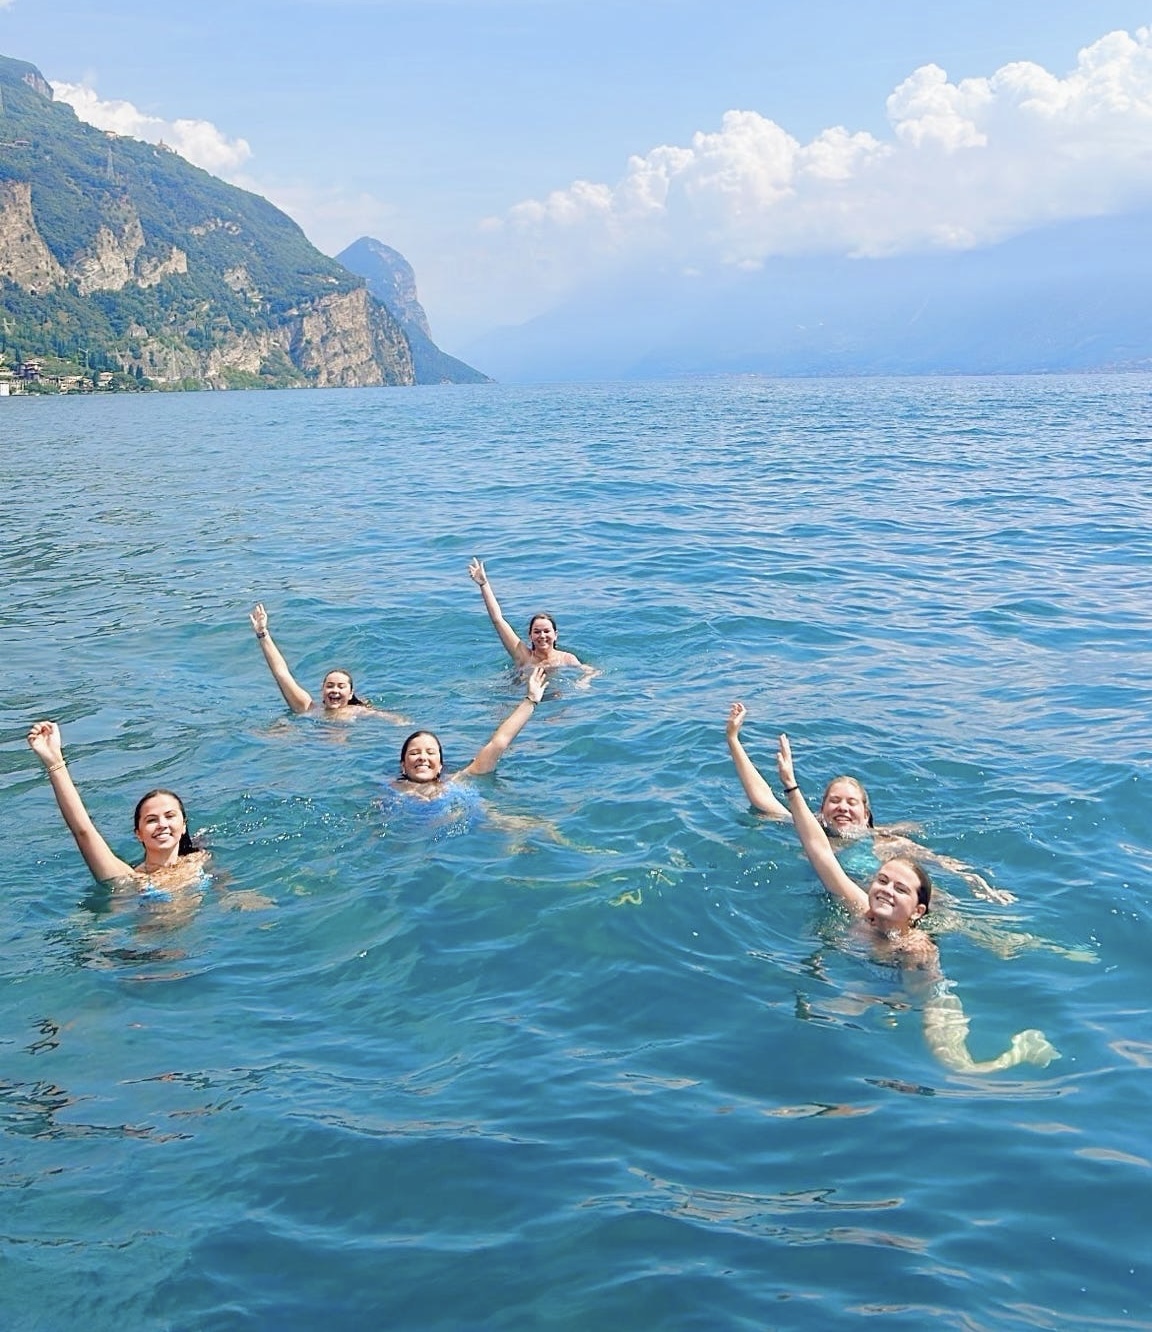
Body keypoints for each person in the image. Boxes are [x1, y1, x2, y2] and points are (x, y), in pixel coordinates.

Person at [774, 731, 1058, 1074]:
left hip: (925, 993)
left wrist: (889, 1001)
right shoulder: (860, 906)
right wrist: (791, 786)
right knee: (817, 1019)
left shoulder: (916, 947)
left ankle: (1024, 1047)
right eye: (882, 881)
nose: (886, 890)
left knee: (959, 1067)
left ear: (918, 910)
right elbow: (819, 851)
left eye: (900, 889)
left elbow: (917, 994)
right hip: (872, 979)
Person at [725, 702, 1014, 904]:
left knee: (941, 904)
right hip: (837, 900)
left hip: (875, 906)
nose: (843, 807)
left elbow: (942, 863)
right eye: (834, 801)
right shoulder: (810, 829)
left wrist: (980, 885)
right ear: (821, 812)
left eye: (851, 803)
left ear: (866, 815)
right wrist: (733, 739)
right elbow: (763, 800)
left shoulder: (885, 841)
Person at [27, 721, 210, 903]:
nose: (162, 824)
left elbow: (221, 889)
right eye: (151, 820)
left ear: (183, 825)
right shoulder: (130, 880)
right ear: (138, 834)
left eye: (169, 816)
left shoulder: (198, 860)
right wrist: (55, 762)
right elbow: (83, 832)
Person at [393, 665, 549, 805]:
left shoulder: (456, 782)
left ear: (440, 766)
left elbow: (498, 743)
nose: (422, 757)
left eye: (430, 752)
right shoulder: (391, 793)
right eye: (414, 753)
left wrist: (531, 700)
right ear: (403, 765)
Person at [249, 603, 408, 722]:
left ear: (351, 693)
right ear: (322, 690)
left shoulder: (359, 712)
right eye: (330, 685)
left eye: (341, 686)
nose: (334, 690)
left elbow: (394, 719)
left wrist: (401, 723)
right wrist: (262, 634)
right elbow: (281, 674)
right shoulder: (307, 708)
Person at [468, 559, 597, 684]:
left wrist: (583, 682)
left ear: (555, 635)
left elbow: (592, 671)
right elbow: (498, 620)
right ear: (530, 636)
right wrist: (484, 585)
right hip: (519, 692)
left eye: (546, 631)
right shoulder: (524, 657)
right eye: (537, 632)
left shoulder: (566, 659)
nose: (542, 636)